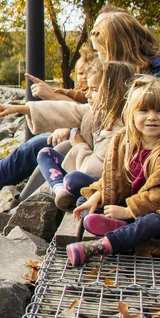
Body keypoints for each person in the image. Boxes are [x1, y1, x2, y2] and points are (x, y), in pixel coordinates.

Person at [66, 75, 160, 267]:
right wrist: (98, 194)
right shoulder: (126, 141)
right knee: (84, 201)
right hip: (136, 202)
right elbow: (114, 178)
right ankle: (124, 227)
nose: (152, 117)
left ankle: (104, 244)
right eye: (144, 110)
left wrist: (129, 210)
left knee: (154, 222)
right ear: (131, 114)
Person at [28, 9, 160, 106]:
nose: (98, 57)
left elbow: (111, 114)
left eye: (100, 50)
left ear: (117, 48)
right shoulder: (134, 70)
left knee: (37, 149)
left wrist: (54, 97)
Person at [36, 60, 136, 210]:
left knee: (73, 180)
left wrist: (80, 145)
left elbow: (93, 170)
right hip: (87, 169)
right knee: (45, 153)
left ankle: (68, 190)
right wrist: (20, 108)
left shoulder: (118, 129)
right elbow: (67, 110)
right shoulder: (99, 114)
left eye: (94, 89)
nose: (87, 94)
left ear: (114, 91)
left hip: (103, 182)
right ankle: (60, 189)